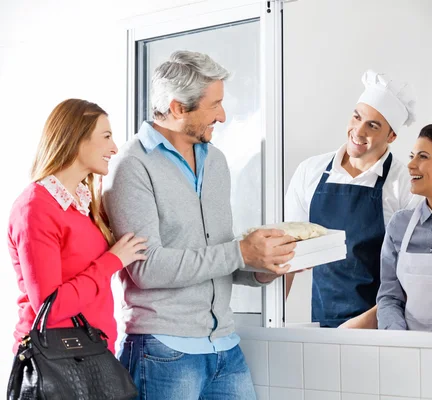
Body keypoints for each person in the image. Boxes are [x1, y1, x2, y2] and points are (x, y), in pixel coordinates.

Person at [102, 51, 296, 400]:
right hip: (163, 350)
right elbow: (147, 268)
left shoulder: (216, 161)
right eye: (215, 105)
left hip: (225, 348)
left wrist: (265, 267)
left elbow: (216, 257)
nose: (222, 116)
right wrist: (239, 251)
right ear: (178, 108)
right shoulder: (132, 166)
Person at [7, 99, 147, 355]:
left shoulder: (82, 206)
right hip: (55, 362)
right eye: (106, 136)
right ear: (77, 138)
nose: (114, 148)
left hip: (91, 353)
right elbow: (51, 308)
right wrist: (112, 261)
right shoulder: (36, 208)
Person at [285, 69, 418, 329]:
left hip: (382, 327)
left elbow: (409, 277)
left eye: (373, 125)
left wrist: (356, 328)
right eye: (357, 117)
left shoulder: (404, 183)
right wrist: (272, 321)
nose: (358, 130)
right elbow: (289, 255)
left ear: (391, 137)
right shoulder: (310, 172)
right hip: (321, 325)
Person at [377, 124, 432, 331]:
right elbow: (389, 297)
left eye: (422, 156)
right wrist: (398, 338)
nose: (411, 164)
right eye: (412, 156)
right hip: (409, 349)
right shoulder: (399, 225)